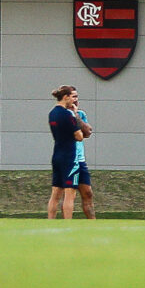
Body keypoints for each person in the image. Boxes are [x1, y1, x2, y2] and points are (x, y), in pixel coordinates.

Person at [46, 84, 94, 219]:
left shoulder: (52, 113)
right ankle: (68, 222)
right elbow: (80, 136)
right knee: (70, 193)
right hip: (70, 156)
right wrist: (74, 119)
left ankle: (50, 221)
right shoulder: (68, 114)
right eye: (73, 96)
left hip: (57, 154)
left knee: (55, 193)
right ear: (66, 97)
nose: (75, 100)